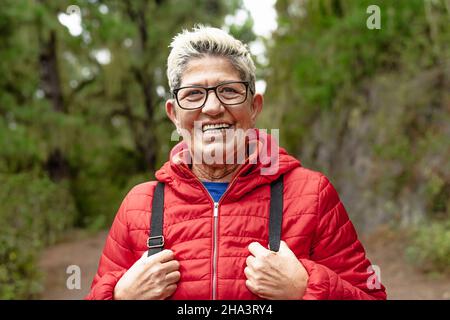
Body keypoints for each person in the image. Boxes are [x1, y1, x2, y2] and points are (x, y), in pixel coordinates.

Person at [86, 26, 386, 300]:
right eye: (193, 95)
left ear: (254, 107)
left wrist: (305, 288)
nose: (213, 108)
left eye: (228, 90)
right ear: (174, 115)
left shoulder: (312, 195)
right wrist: (121, 296)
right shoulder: (139, 205)